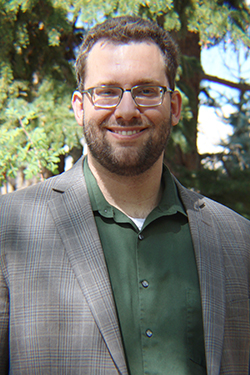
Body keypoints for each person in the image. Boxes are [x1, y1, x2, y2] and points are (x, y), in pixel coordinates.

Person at [0, 15, 249, 375]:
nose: (127, 110)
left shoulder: (240, 241)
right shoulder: (8, 228)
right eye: (106, 91)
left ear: (175, 106)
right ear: (79, 106)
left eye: (147, 90)